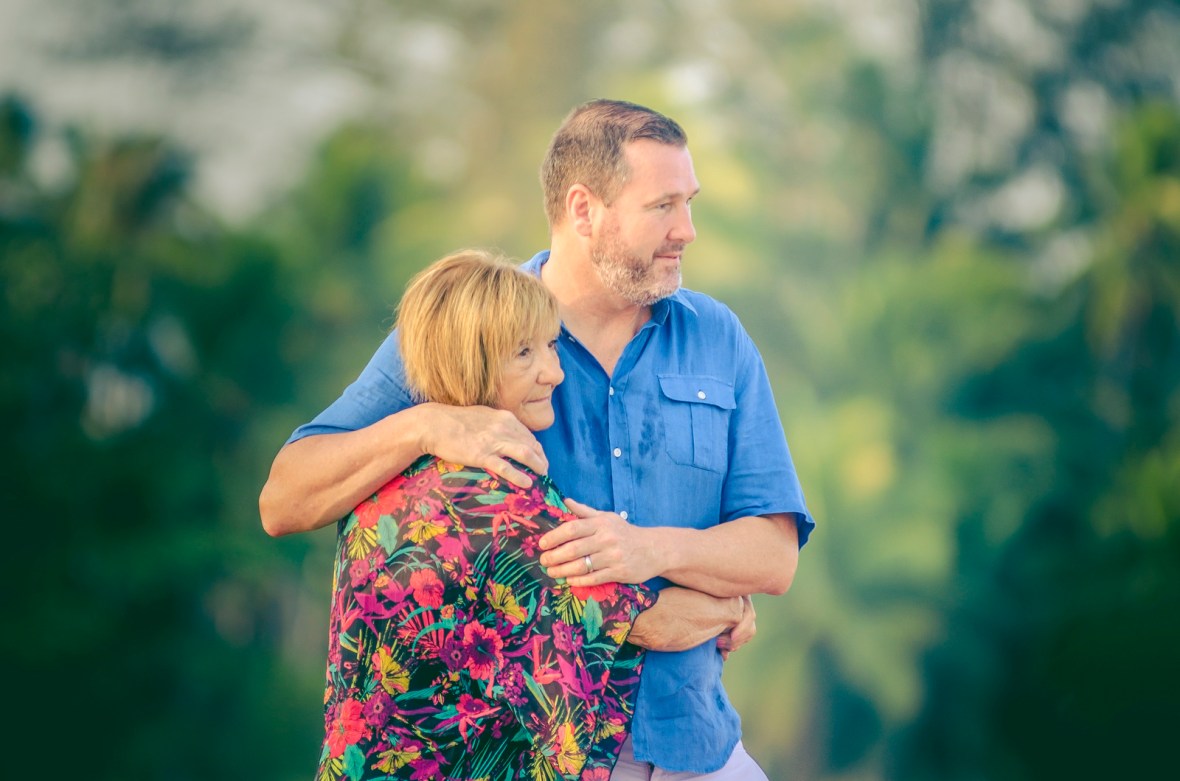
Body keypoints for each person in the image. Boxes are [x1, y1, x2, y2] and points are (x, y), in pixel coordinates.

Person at [262, 99, 814, 779]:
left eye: (689, 203)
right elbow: (285, 497)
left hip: (693, 741)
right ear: (584, 210)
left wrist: (649, 549)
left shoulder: (717, 335)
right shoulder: (470, 322)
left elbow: (774, 556)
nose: (687, 231)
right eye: (662, 206)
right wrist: (427, 422)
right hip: (537, 753)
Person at [317, 250, 744, 781]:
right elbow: (650, 623)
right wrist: (731, 607)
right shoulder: (506, 509)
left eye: (549, 345)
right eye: (524, 353)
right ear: (468, 362)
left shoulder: (377, 483)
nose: (555, 372)